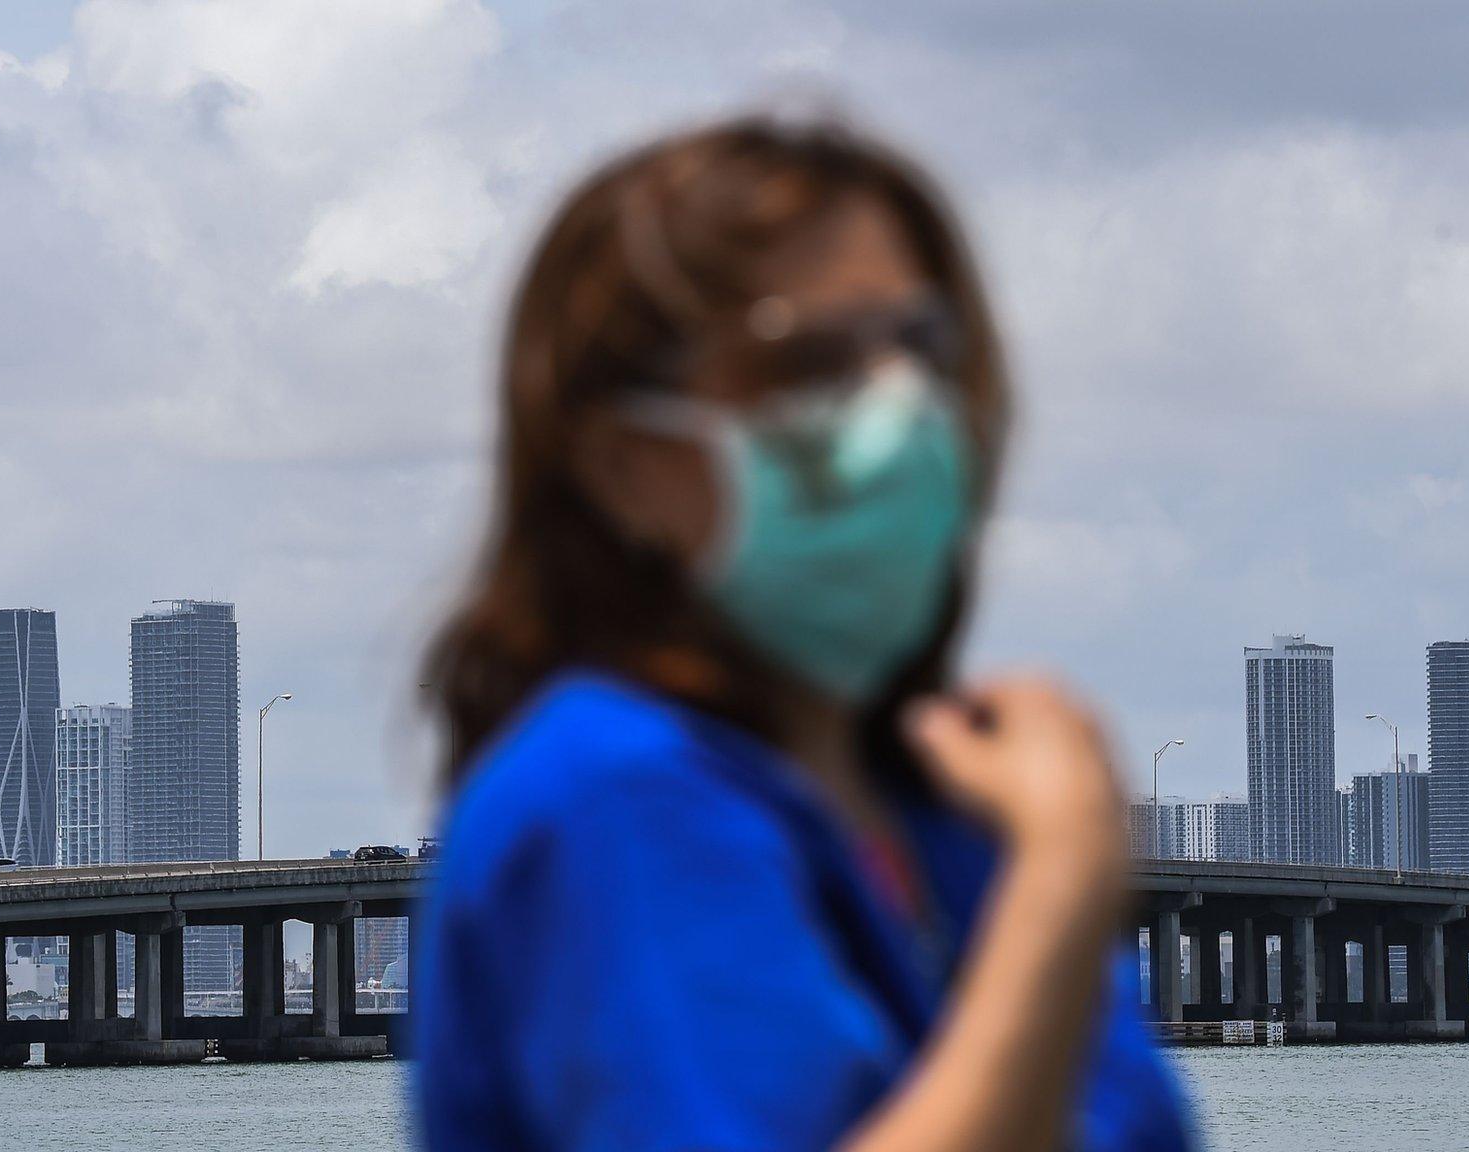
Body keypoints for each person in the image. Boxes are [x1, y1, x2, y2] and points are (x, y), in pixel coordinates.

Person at [413, 116, 1194, 1152]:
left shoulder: (952, 819)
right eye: (807, 364)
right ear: (624, 465)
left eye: (922, 346)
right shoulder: (610, 798)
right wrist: (1058, 889)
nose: (898, 405)